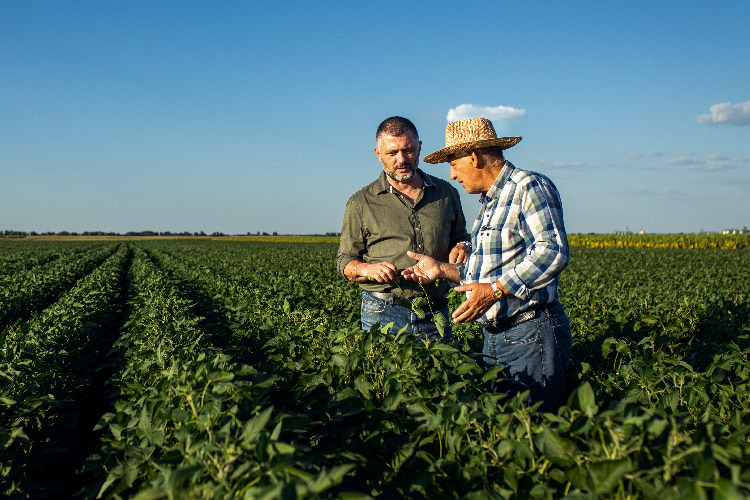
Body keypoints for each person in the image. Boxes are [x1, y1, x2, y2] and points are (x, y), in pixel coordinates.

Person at [401, 117, 572, 411]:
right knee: (506, 427)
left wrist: (495, 290)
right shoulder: (490, 202)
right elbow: (489, 271)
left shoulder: (528, 187)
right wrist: (441, 270)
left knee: (536, 428)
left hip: (530, 334)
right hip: (496, 337)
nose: (453, 175)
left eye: (453, 164)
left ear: (474, 156)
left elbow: (552, 251)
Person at [336, 116, 471, 341]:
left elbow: (461, 237)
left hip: (436, 311)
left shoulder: (446, 193)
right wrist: (366, 269)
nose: (401, 159)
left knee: (443, 375)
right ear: (378, 154)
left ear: (419, 147)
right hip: (383, 311)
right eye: (392, 153)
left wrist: (463, 245)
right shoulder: (361, 203)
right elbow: (345, 261)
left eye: (408, 150)